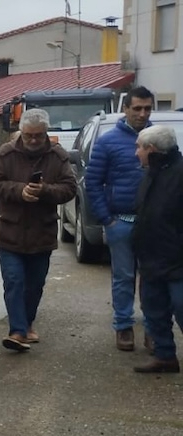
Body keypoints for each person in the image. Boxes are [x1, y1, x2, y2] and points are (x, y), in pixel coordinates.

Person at [0, 108, 77, 351]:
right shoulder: (6, 154)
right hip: (10, 232)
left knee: (34, 285)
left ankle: (26, 323)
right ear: (21, 132)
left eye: (38, 135)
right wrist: (20, 191)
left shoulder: (58, 156)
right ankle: (17, 331)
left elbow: (69, 188)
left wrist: (44, 191)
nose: (33, 140)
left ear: (46, 132)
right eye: (28, 135)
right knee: (14, 281)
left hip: (41, 234)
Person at [84, 86, 155, 352]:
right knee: (123, 277)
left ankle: (154, 329)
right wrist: (107, 220)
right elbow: (93, 182)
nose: (142, 114)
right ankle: (123, 326)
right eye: (137, 108)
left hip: (154, 226)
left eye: (147, 108)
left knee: (152, 278)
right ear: (125, 109)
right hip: (121, 222)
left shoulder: (160, 140)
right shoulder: (108, 142)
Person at [131, 125, 183, 373]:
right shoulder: (151, 173)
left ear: (151, 149)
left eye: (139, 148)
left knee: (181, 307)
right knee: (154, 310)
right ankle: (165, 357)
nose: (136, 153)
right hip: (151, 257)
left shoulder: (179, 173)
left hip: (177, 260)